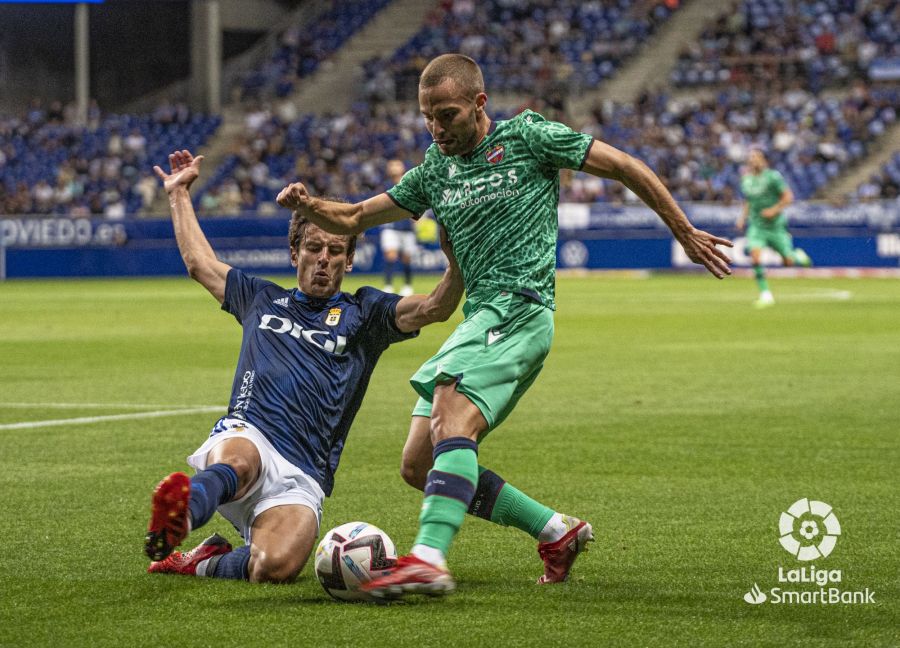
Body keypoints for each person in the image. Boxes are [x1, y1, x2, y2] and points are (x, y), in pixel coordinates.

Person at [276, 53, 733, 599]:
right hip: (482, 318)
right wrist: (310, 203)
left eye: (447, 114)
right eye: (427, 117)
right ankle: (555, 531)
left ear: (479, 104)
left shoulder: (529, 138)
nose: (436, 128)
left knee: (450, 413)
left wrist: (681, 230)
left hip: (521, 306)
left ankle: (427, 558)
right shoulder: (434, 171)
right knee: (419, 463)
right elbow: (352, 217)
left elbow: (624, 165)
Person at [143, 149, 463, 584]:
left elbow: (433, 308)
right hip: (249, 434)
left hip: (304, 472)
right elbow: (200, 263)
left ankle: (204, 560)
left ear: (349, 261)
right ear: (295, 253)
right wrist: (179, 192)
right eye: (313, 247)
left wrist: (458, 260)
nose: (324, 259)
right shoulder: (260, 297)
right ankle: (180, 518)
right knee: (238, 463)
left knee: (275, 567)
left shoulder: (365, 313)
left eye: (335, 250)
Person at [737, 149, 811, 308]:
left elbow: (788, 197)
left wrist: (774, 210)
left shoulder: (773, 177)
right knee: (755, 256)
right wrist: (742, 218)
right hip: (757, 226)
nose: (753, 160)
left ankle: (797, 256)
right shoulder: (746, 180)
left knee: (788, 262)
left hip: (776, 226)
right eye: (751, 157)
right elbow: (748, 200)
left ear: (764, 160)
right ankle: (765, 294)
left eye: (756, 157)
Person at [379, 159, 418, 295]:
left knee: (407, 258)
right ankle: (388, 285)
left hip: (407, 227)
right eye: (392, 165)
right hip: (391, 227)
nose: (394, 167)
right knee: (391, 255)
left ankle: (407, 285)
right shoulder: (385, 185)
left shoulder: (409, 182)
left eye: (397, 164)